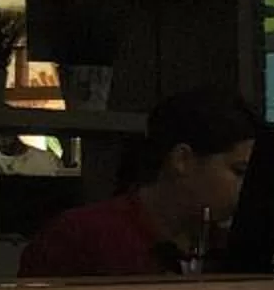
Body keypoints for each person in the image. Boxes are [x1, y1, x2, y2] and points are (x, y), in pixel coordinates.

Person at [19, 87, 259, 278]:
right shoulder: (80, 238)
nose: (248, 187)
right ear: (182, 160)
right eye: (238, 171)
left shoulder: (232, 246)